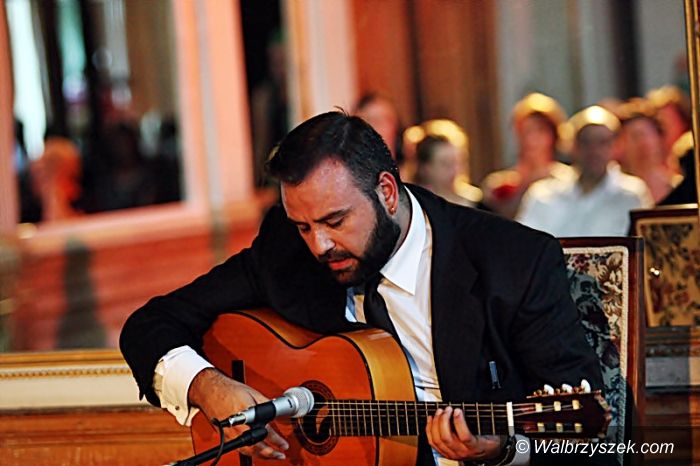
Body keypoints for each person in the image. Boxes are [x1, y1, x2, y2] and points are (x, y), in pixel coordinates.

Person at [120, 111, 604, 466]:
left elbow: (589, 443)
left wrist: (500, 452)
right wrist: (209, 386)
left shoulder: (513, 262)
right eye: (304, 226)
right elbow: (150, 325)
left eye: (335, 221)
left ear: (387, 192)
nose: (319, 245)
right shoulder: (288, 251)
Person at [517, 105, 653, 237]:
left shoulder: (632, 195)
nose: (594, 150)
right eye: (586, 142)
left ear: (616, 147)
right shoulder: (542, 195)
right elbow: (524, 243)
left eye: (602, 142)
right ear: (572, 146)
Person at [480, 92, 575, 219]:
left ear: (554, 134)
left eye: (540, 130)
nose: (532, 139)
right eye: (526, 131)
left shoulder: (568, 181)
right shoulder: (498, 186)